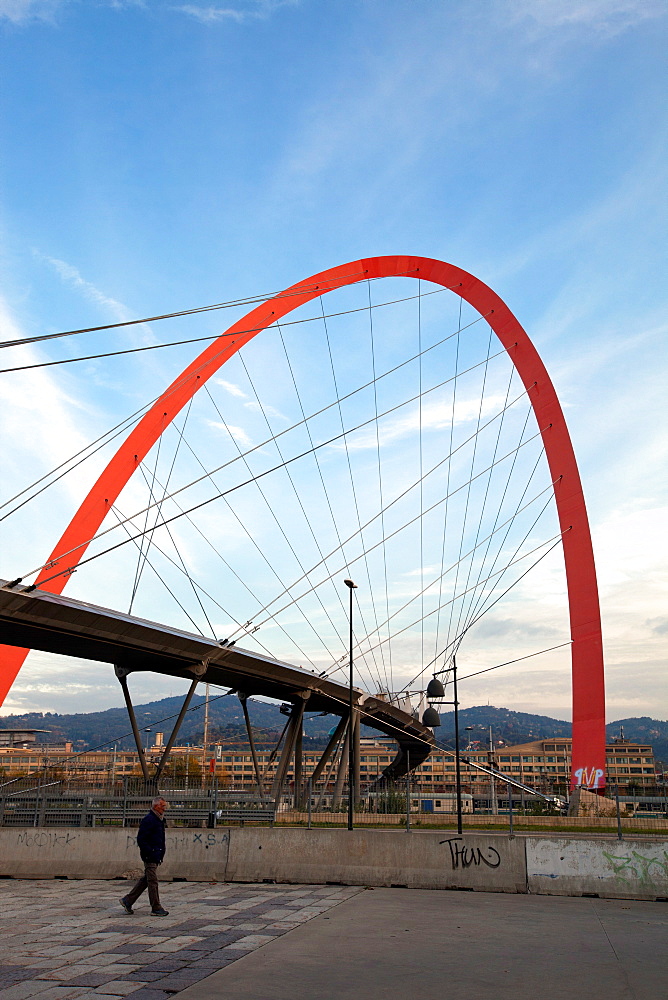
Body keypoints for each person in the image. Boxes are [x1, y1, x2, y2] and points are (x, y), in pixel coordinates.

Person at [120, 795, 169, 916]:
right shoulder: (149, 820)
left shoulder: (159, 819)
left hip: (156, 853)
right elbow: (141, 839)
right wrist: (150, 851)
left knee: (146, 880)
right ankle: (156, 907)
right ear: (156, 806)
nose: (165, 808)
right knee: (152, 881)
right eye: (163, 806)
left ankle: (128, 900)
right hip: (150, 855)